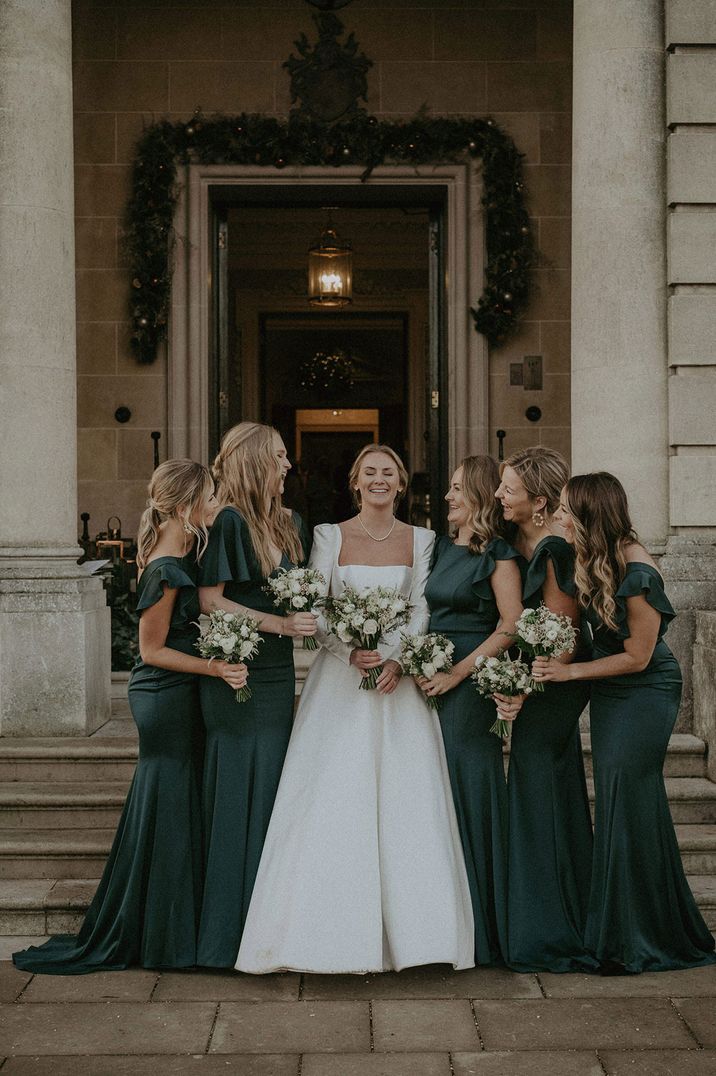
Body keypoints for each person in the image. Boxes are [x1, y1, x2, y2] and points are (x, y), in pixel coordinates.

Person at [236, 444, 474, 974]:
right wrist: (349, 648)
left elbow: (423, 607)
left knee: (406, 799)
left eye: (388, 472)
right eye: (370, 472)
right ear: (355, 481)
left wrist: (396, 660)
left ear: (401, 484)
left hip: (398, 685)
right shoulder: (327, 535)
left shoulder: (424, 540)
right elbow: (317, 603)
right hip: (340, 683)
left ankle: (420, 938)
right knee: (333, 791)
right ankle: (322, 934)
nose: (379, 479)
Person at [13, 460, 247, 974]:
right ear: (186, 507)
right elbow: (152, 650)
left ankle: (170, 931)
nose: (216, 505)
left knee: (174, 804)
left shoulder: (184, 552)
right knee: (167, 802)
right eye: (210, 497)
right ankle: (161, 937)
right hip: (164, 694)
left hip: (181, 691)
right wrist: (215, 666)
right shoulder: (166, 568)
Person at [534, 472, 716, 973]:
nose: (559, 518)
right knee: (621, 801)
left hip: (647, 690)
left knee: (628, 798)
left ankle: (640, 938)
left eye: (568, 510)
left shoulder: (638, 570)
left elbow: (638, 656)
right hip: (611, 691)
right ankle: (626, 930)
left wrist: (569, 671)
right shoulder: (589, 557)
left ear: (591, 514)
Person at [196, 422, 314, 967]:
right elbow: (211, 601)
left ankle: (270, 920)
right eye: (280, 457)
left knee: (273, 785)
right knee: (243, 783)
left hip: (276, 673)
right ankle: (228, 930)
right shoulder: (228, 521)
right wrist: (281, 624)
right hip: (238, 672)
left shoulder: (290, 523)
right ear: (252, 462)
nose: (288, 466)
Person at [418, 456, 523, 966]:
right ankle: (440, 921)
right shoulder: (440, 547)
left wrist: (458, 672)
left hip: (467, 682)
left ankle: (484, 927)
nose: (448, 496)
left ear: (480, 495)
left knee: (468, 789)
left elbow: (509, 624)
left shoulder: (498, 553)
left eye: (457, 488)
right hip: (429, 678)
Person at [495, 446, 595, 973]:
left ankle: (547, 932)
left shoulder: (556, 549)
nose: (498, 495)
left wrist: (522, 689)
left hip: (551, 688)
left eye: (508, 489)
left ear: (538, 501)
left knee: (538, 793)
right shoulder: (518, 544)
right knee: (542, 793)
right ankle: (554, 916)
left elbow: (562, 637)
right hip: (532, 681)